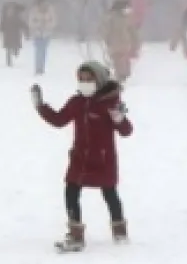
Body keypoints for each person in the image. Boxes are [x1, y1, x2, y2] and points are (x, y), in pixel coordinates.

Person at [33, 62, 133, 251]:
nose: (84, 83)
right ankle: (75, 234)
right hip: (80, 158)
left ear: (99, 80)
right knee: (71, 192)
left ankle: (120, 231)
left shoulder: (110, 103)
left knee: (110, 194)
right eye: (81, 79)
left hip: (103, 159)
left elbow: (127, 131)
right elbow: (59, 120)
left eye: (89, 79)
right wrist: (40, 106)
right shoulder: (76, 103)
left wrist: (120, 120)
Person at [100, 0, 140, 82]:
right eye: (127, 8)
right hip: (116, 43)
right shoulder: (112, 18)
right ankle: (121, 76)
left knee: (123, 61)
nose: (129, 10)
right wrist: (107, 39)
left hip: (124, 44)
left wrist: (136, 42)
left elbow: (132, 31)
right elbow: (106, 30)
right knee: (119, 60)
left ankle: (123, 75)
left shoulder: (126, 18)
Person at [27, 0, 58, 76]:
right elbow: (30, 22)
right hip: (37, 34)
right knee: (38, 51)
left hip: (46, 34)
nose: (43, 5)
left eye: (44, 3)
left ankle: (42, 68)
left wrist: (48, 25)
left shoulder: (50, 10)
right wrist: (37, 25)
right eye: (41, 3)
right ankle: (38, 68)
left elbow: (53, 21)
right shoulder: (34, 11)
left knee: (44, 51)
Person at [0, 2, 28, 67]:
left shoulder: (17, 17)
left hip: (15, 34)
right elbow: (2, 25)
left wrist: (27, 32)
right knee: (8, 49)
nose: (10, 11)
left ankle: (15, 52)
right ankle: (9, 62)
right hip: (8, 35)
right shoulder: (5, 17)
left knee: (15, 47)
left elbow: (23, 25)